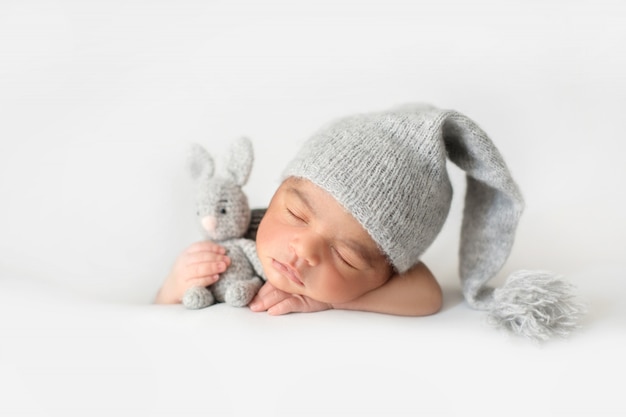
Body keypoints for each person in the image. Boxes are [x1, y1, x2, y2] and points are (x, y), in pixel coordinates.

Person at [156, 103, 585, 341]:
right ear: (278, 190)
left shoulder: (382, 283)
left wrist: (329, 300)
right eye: (295, 213)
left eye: (345, 256)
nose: (304, 250)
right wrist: (177, 284)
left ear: (386, 272)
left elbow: (428, 296)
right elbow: (158, 318)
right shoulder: (236, 236)